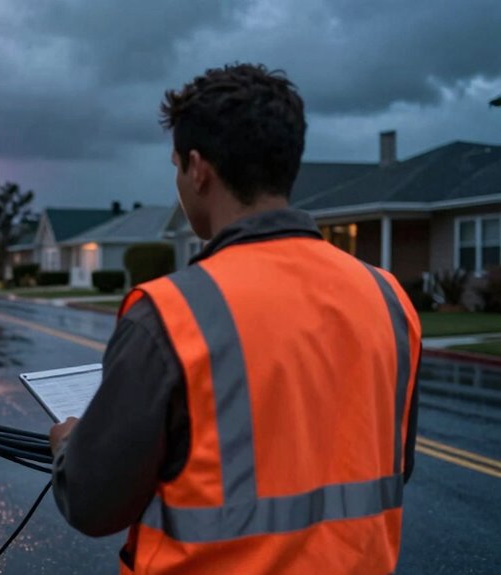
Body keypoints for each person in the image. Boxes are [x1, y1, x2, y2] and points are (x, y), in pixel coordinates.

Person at [49, 63, 420, 574]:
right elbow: (391, 461)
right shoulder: (388, 299)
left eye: (176, 165)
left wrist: (70, 445)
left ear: (197, 169)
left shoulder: (168, 314)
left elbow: (93, 503)